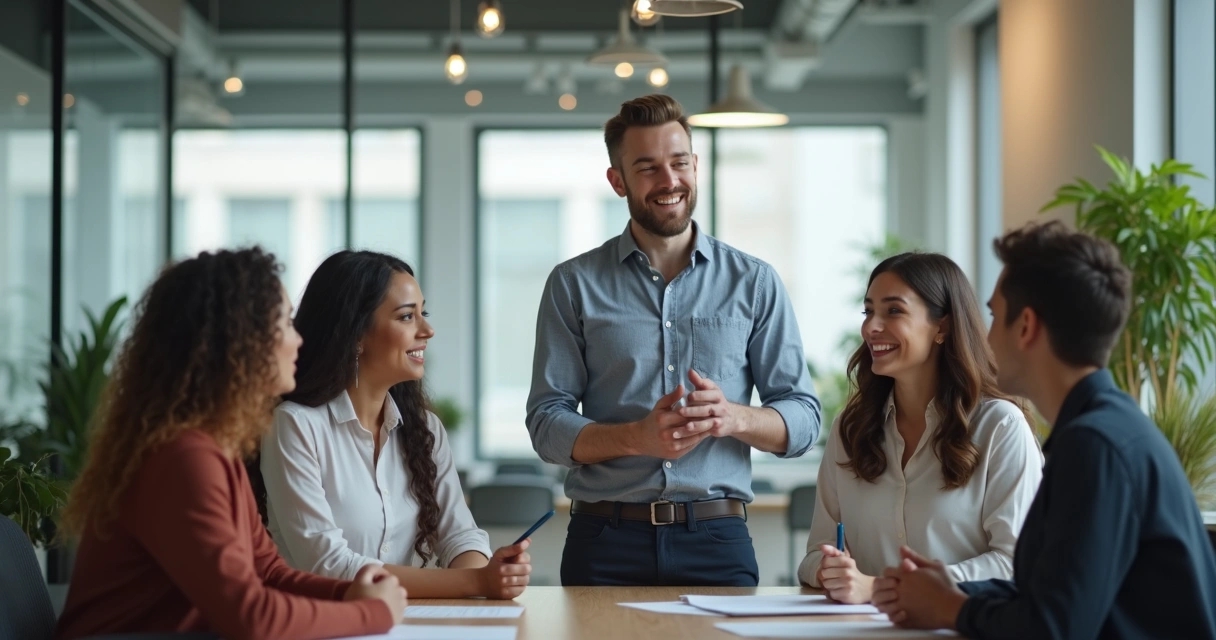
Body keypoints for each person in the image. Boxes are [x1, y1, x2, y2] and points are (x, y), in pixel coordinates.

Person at [526, 93, 821, 587]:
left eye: (679, 162)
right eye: (648, 168)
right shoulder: (572, 284)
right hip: (603, 540)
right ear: (617, 180)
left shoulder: (755, 282)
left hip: (717, 538)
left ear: (695, 165)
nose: (669, 181)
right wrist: (634, 437)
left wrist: (734, 417)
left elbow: (804, 418)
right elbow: (545, 423)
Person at [872, 221, 1216, 639]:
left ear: (1027, 326)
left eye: (995, 316)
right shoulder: (1109, 429)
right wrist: (951, 591)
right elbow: (1054, 595)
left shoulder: (1095, 446)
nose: (984, 335)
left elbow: (1055, 628)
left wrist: (951, 607)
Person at [54, 247, 404, 640]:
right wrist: (371, 612)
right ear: (239, 342)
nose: (298, 340)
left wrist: (349, 592)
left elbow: (268, 573)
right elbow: (252, 617)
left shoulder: (212, 449)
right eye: (285, 324)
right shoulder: (183, 459)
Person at [257, 250, 532, 599]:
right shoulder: (294, 426)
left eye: (423, 313)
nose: (428, 330)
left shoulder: (426, 429)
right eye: (406, 317)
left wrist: (492, 575)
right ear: (355, 334)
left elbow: (459, 535)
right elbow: (327, 564)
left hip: (407, 623)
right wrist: (477, 582)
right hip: (322, 627)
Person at [798, 252, 1042, 603]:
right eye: (868, 312)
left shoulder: (1000, 427)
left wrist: (886, 589)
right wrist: (827, 569)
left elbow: (1015, 563)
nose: (871, 327)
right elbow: (814, 553)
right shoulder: (849, 429)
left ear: (942, 326)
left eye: (893, 311)